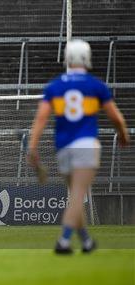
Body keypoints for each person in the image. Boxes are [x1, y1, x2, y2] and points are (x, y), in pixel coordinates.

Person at [28, 39, 130, 254]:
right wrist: (123, 135)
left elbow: (41, 119)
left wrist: (33, 147)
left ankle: (86, 242)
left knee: (76, 194)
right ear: (87, 58)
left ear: (67, 58)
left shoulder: (55, 86)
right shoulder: (96, 86)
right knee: (77, 195)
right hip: (86, 145)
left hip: (63, 147)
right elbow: (116, 118)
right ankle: (64, 241)